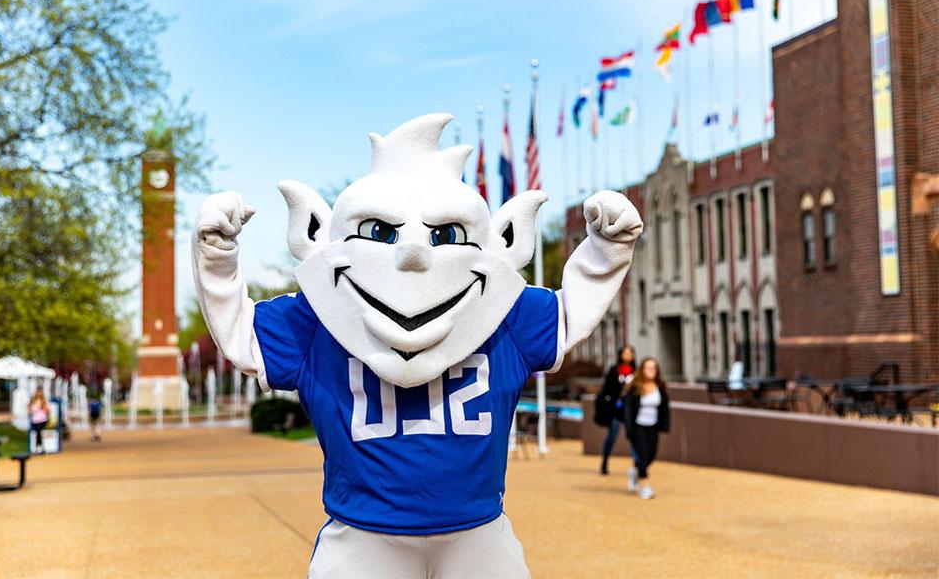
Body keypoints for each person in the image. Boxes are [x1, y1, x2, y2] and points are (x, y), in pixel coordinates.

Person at [192, 113, 644, 578]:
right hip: (363, 535)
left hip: (476, 532)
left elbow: (569, 314)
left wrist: (606, 248)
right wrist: (217, 257)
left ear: (508, 237)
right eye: (380, 232)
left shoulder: (503, 311)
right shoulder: (319, 317)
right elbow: (243, 336)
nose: (412, 253)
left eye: (444, 234)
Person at [623, 357, 670, 500]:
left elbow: (664, 408)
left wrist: (665, 425)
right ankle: (645, 487)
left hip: (653, 426)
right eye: (648, 368)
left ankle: (635, 471)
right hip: (638, 426)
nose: (651, 371)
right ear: (642, 370)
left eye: (654, 368)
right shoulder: (635, 387)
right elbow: (628, 409)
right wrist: (629, 428)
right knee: (643, 456)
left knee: (651, 456)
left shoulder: (660, 387)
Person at [598, 344, 637, 476]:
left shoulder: (636, 372)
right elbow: (606, 389)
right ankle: (604, 461)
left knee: (633, 437)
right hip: (616, 409)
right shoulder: (614, 370)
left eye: (630, 353)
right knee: (612, 435)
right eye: (625, 353)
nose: (627, 356)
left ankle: (637, 465)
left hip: (630, 410)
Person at [28, 389, 50, 454]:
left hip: (42, 420)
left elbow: (47, 410)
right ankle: (39, 448)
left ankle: (39, 448)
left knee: (38, 433)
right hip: (35, 420)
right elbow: (31, 410)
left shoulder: (43, 402)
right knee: (38, 433)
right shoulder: (33, 402)